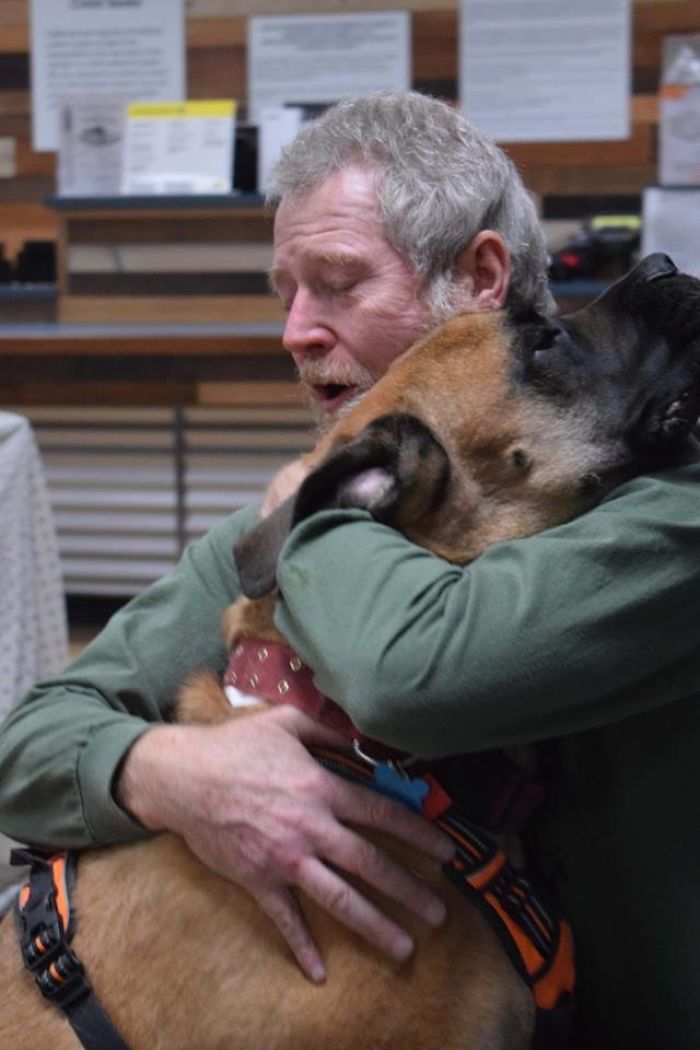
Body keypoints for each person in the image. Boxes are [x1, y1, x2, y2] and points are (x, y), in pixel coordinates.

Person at [0, 91, 698, 1048]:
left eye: (335, 283)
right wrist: (173, 772)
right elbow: (28, 741)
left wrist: (319, 498)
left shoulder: (660, 501)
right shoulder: (293, 529)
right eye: (285, 291)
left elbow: (417, 672)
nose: (295, 330)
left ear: (481, 278)